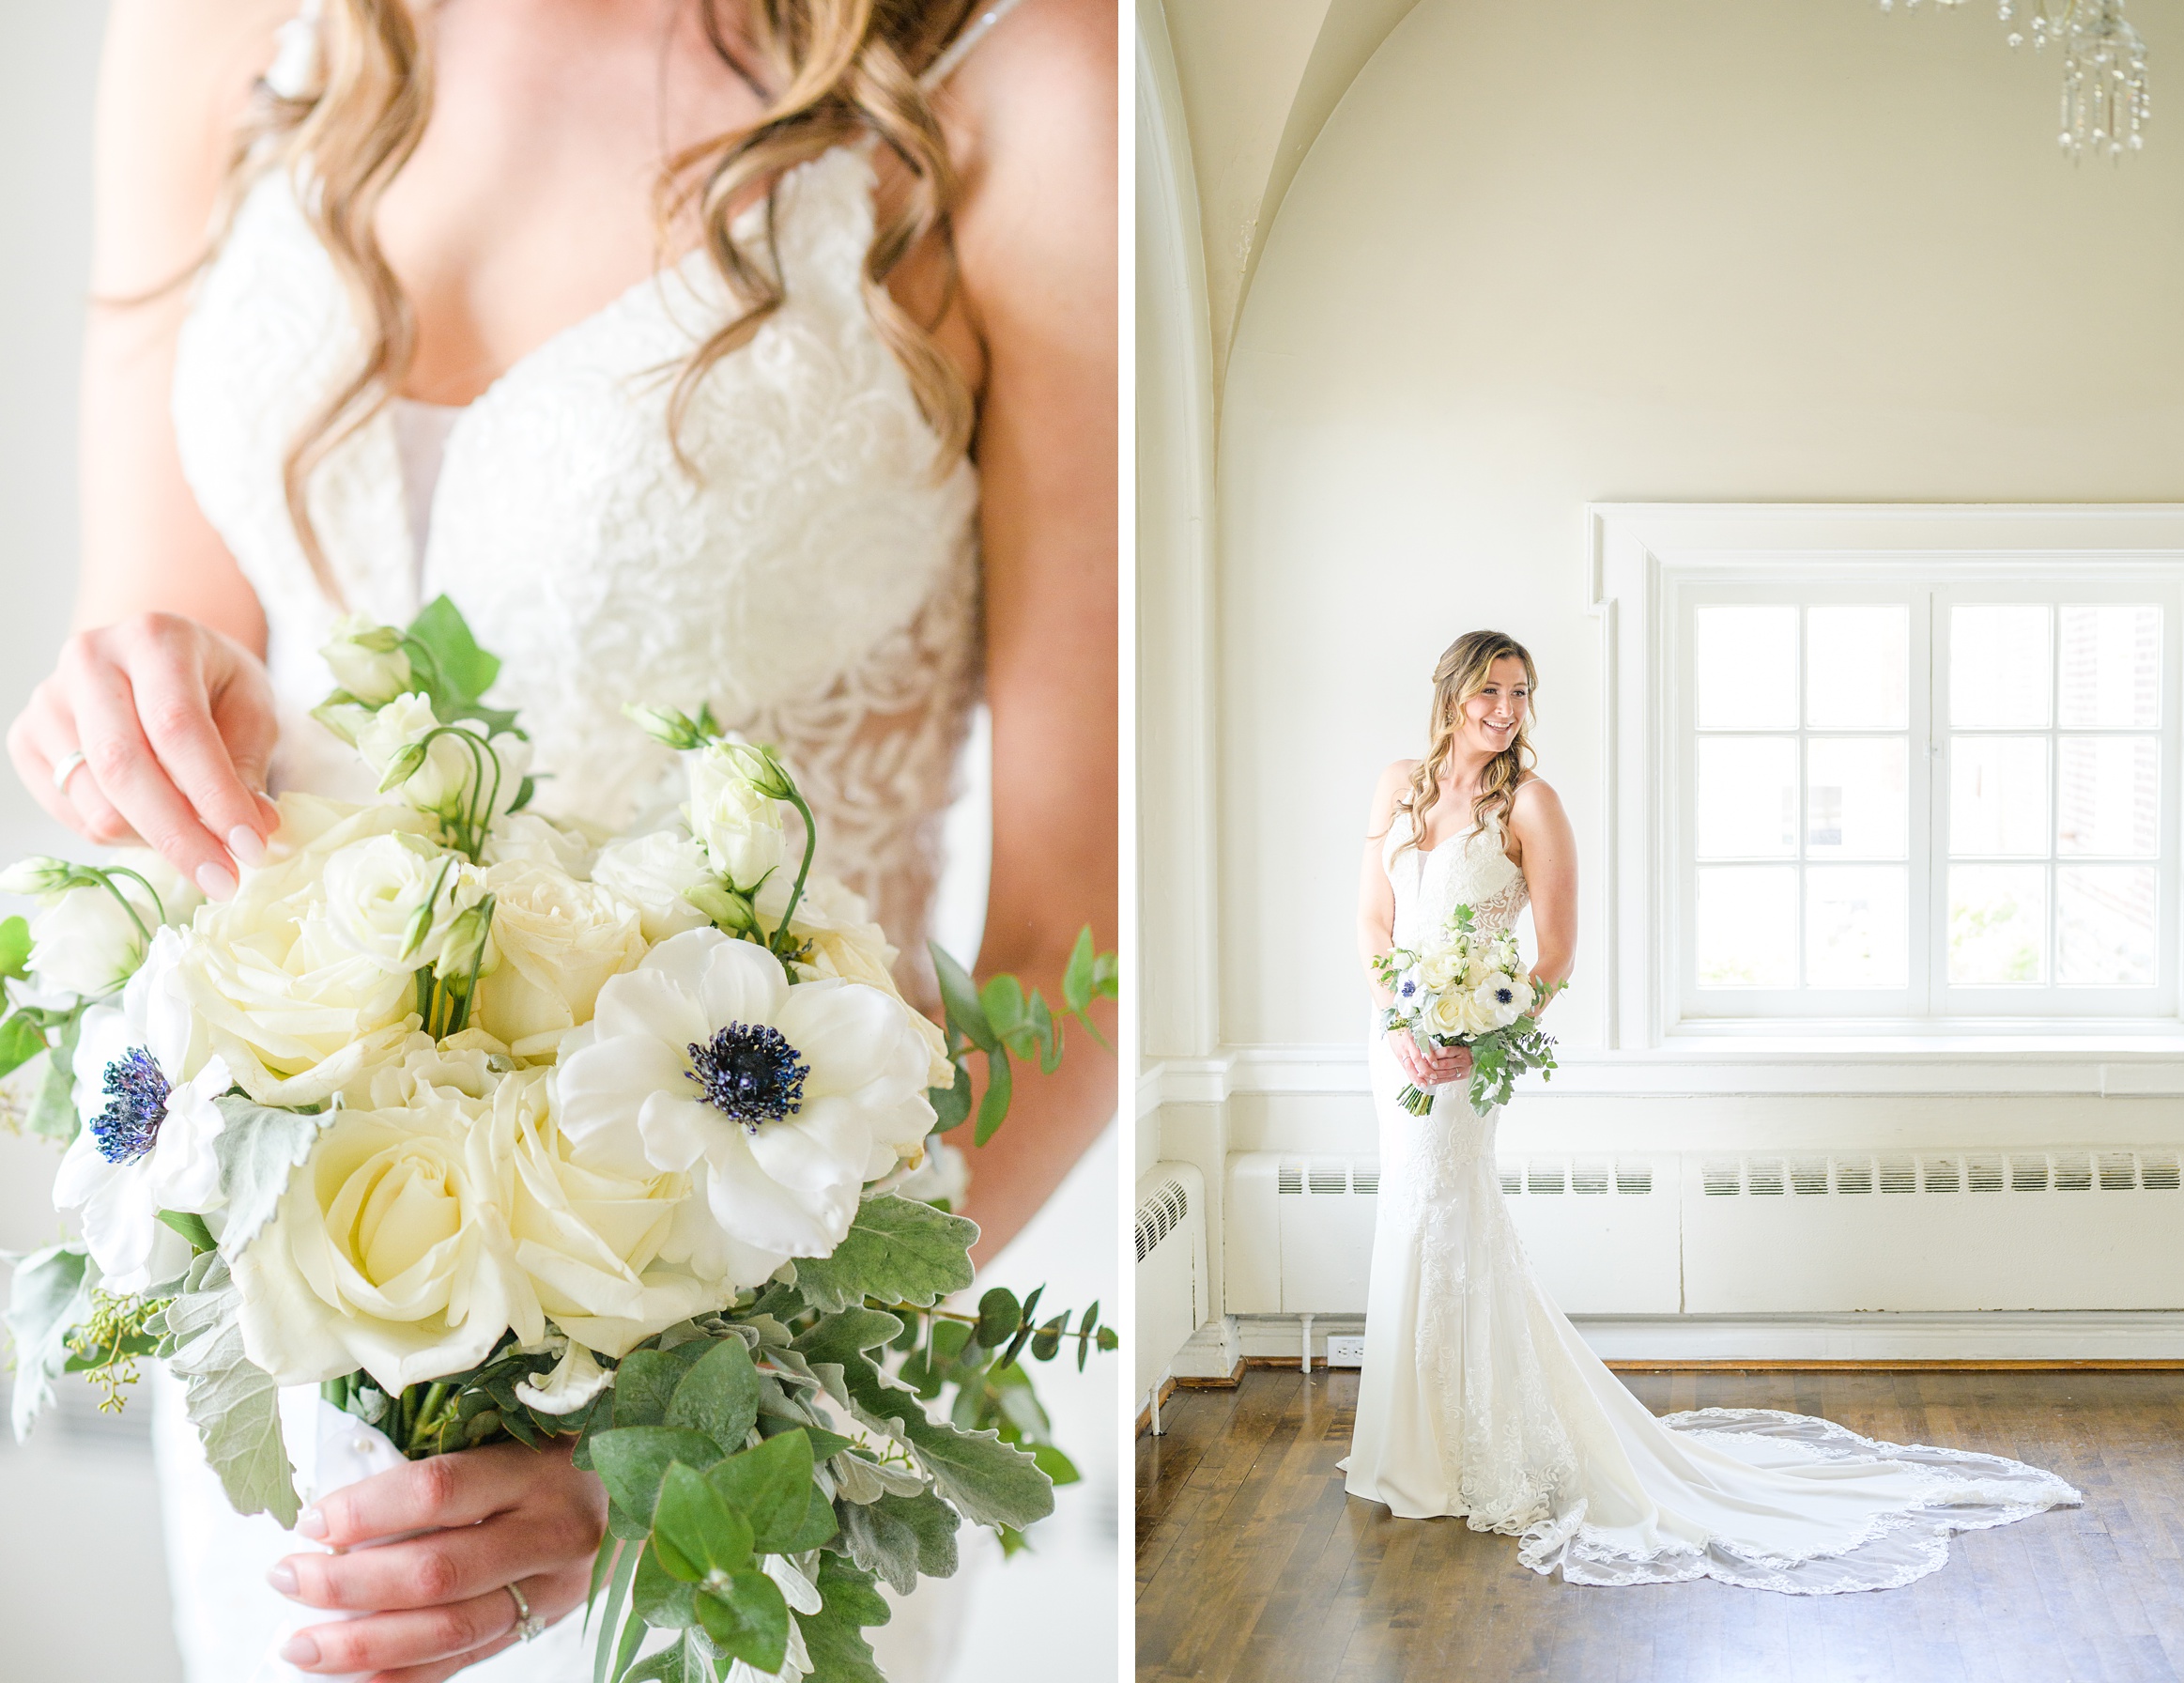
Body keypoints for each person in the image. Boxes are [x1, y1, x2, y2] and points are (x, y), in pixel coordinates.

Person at [6, 0, 1115, 1675]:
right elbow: (154, 662)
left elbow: (1085, 932)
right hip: (311, 1351)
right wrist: (125, 714)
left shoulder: (1020, 86)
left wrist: (687, 1430)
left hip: (748, 1437)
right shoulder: (209, 28)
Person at [1340, 628, 2079, 1593]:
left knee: (1451, 1216)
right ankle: (1408, 1444)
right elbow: (1371, 918)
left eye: (1520, 693)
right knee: (1405, 1217)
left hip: (1465, 1058)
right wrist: (1400, 1015)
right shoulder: (1397, 784)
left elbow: (1554, 953)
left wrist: (1476, 1034)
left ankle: (1470, 1450)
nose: (1506, 710)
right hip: (1392, 1040)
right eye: (1490, 691)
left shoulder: (1531, 803)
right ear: (1450, 691)